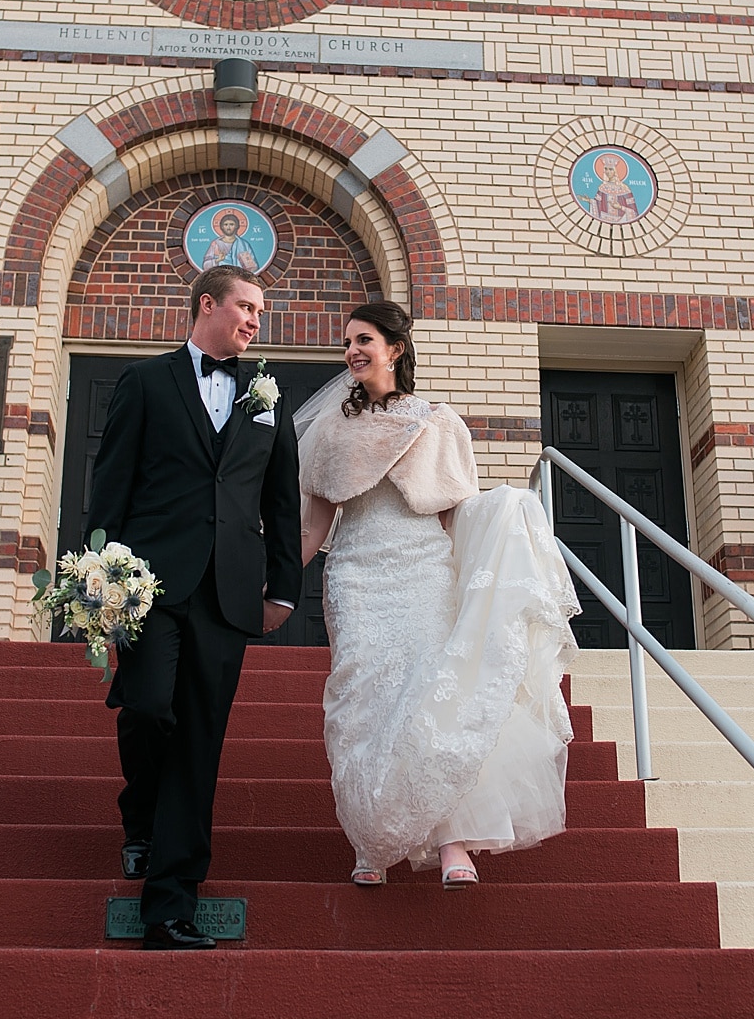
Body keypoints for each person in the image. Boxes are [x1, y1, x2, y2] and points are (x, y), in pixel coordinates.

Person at [297, 301, 580, 888]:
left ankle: (453, 842)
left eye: (365, 340)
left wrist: (507, 517)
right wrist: (271, 586)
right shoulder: (330, 430)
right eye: (348, 342)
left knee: (431, 698)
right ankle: (371, 839)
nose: (352, 351)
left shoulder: (440, 422)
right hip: (356, 573)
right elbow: (314, 523)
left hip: (424, 569)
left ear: (395, 349)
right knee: (361, 702)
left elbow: (459, 513)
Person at [86, 264, 301, 949]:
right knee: (148, 706)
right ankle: (140, 816)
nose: (254, 321)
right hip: (148, 583)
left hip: (228, 591)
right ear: (207, 304)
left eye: (260, 312)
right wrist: (98, 582)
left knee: (200, 742)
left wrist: (283, 585)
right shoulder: (145, 383)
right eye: (245, 307)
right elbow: (111, 484)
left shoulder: (265, 398)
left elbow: (280, 501)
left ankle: (171, 902)